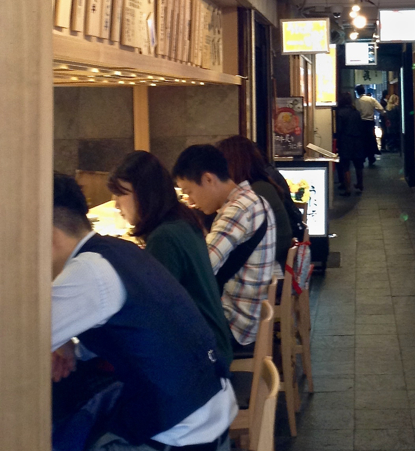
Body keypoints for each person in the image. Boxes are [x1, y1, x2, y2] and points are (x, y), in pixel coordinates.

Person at [51, 173, 236, 451]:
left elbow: (14, 347)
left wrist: (60, 342)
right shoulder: (118, 252)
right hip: (209, 447)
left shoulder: (87, 273)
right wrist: (68, 344)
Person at [107, 150, 233, 367]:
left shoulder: (165, 237)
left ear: (144, 193)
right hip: (214, 341)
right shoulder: (182, 221)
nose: (117, 205)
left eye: (121, 194)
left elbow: (154, 315)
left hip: (204, 358)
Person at [172, 144, 276, 354]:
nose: (190, 200)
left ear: (208, 179)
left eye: (189, 191)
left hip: (234, 326)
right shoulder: (254, 200)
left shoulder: (237, 210)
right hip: (248, 317)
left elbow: (201, 271)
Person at [216, 135, 294, 268]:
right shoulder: (263, 184)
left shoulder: (253, 195)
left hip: (271, 267)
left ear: (233, 163)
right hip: (277, 261)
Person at [335, 91, 365, 195]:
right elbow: (361, 127)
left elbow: (339, 129)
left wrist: (337, 143)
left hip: (345, 141)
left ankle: (348, 189)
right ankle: (360, 184)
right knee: (358, 165)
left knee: (345, 166)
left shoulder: (340, 113)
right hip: (357, 140)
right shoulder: (356, 112)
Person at [355, 83, 384, 166]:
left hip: (360, 123)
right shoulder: (371, 99)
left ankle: (363, 157)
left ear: (357, 92)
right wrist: (384, 115)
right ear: (364, 91)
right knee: (371, 140)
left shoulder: (357, 101)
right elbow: (380, 109)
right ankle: (371, 157)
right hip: (370, 122)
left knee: (362, 141)